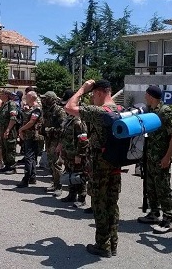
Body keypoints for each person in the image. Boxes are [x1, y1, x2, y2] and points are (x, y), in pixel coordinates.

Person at [64, 79, 121, 258]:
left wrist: (81, 89)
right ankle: (112, 243)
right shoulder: (121, 109)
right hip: (116, 164)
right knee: (112, 204)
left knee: (99, 204)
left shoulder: (99, 111)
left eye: (92, 94)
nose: (91, 98)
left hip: (100, 165)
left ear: (99, 93)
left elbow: (69, 107)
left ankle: (102, 245)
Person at [137, 85, 172, 235]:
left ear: (150, 96)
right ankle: (154, 213)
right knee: (151, 186)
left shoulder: (165, 112)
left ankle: (168, 220)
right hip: (150, 157)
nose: (145, 97)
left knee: (163, 188)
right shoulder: (151, 111)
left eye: (146, 95)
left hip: (161, 157)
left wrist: (167, 157)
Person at [58, 89, 88, 207]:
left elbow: (83, 138)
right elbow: (65, 134)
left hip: (76, 153)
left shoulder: (78, 120)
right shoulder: (69, 118)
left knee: (79, 175)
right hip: (68, 152)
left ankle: (81, 198)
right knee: (70, 173)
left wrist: (79, 155)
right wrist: (61, 146)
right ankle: (72, 194)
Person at [41, 91, 66, 197]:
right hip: (49, 139)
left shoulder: (59, 111)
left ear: (51, 99)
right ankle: (54, 183)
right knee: (51, 162)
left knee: (56, 163)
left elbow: (63, 128)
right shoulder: (47, 110)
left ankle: (59, 186)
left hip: (56, 140)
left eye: (46, 98)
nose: (43, 100)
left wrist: (49, 129)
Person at [16, 91, 42, 188]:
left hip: (32, 136)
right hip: (28, 135)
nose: (25, 98)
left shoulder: (36, 109)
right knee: (32, 157)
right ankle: (32, 177)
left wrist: (21, 129)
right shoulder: (30, 108)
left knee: (29, 157)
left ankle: (26, 178)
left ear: (31, 97)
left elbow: (32, 122)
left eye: (26, 97)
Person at [0, 89, 19, 173]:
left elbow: (13, 118)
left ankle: (12, 167)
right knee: (4, 148)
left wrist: (8, 130)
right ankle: (7, 165)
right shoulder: (3, 104)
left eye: (1, 94)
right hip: (3, 130)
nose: (0, 96)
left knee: (10, 148)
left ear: (6, 95)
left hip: (9, 130)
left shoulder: (11, 104)